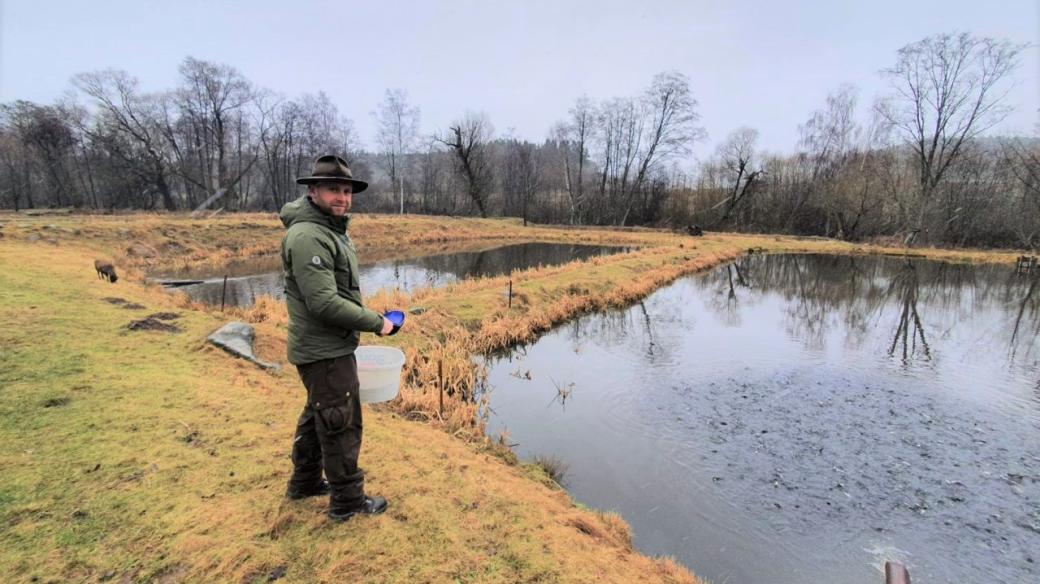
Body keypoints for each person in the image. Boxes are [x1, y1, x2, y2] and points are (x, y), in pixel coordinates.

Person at [279, 154, 397, 522]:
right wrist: (376, 322)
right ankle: (347, 501)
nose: (342, 197)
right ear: (313, 191)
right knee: (340, 421)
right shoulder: (308, 235)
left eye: (346, 191)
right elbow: (324, 303)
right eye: (333, 189)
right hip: (324, 350)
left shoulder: (331, 229)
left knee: (320, 414)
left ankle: (305, 482)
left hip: (327, 347)